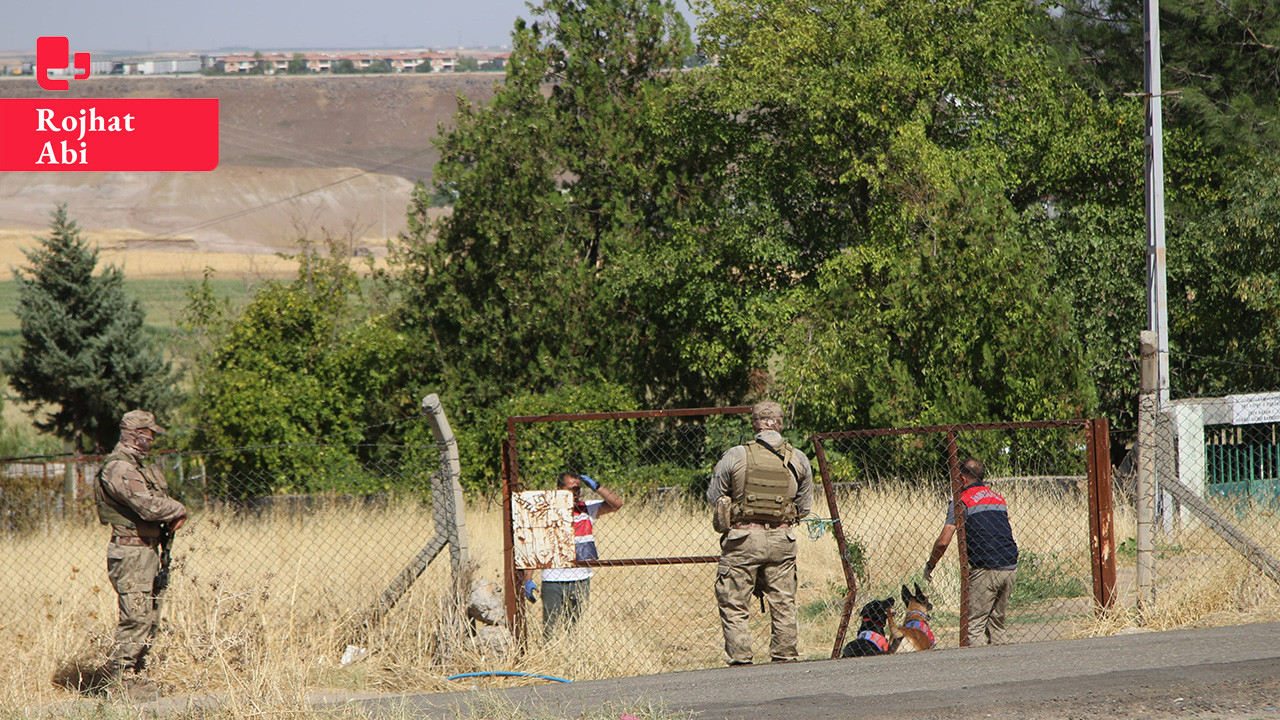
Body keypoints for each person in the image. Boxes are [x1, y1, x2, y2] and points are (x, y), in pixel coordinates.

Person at [706, 401, 813, 665]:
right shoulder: (798, 458)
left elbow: (713, 496)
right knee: (784, 601)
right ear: (780, 422)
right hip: (782, 539)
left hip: (743, 539)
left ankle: (741, 660)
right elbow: (804, 508)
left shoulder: (735, 455)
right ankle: (784, 655)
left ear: (755, 424)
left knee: (734, 603)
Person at [93, 410, 188, 699]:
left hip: (147, 550)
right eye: (149, 434)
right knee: (135, 618)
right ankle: (119, 682)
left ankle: (135, 677)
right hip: (131, 552)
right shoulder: (119, 468)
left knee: (149, 616)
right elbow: (147, 506)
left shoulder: (137, 466)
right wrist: (179, 508)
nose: (152, 439)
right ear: (136, 435)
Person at [923, 457, 1019, 646]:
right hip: (1009, 565)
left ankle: (978, 671)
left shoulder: (961, 502)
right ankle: (1005, 669)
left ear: (962, 479)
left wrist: (930, 565)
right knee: (997, 624)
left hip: (986, 568)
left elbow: (943, 541)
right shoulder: (997, 497)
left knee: (974, 626)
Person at [524, 472, 623, 637]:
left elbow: (617, 504)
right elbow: (536, 547)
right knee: (550, 629)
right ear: (559, 489)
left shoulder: (586, 509)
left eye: (578, 489)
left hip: (580, 578)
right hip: (553, 578)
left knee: (575, 630)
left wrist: (597, 487)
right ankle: (549, 658)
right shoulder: (546, 513)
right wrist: (528, 579)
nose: (576, 493)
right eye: (571, 489)